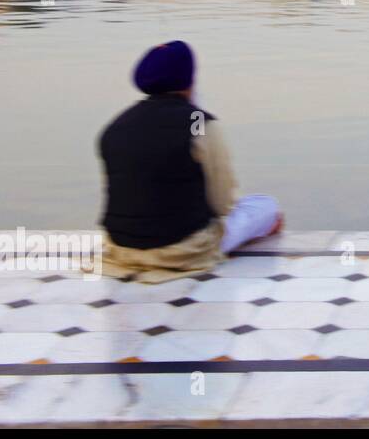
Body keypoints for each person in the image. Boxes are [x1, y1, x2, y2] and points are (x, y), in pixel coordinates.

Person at [96, 40, 283, 282]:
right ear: (189, 80)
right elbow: (223, 204)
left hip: (121, 249)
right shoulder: (199, 123)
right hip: (183, 251)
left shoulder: (116, 126)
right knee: (266, 206)